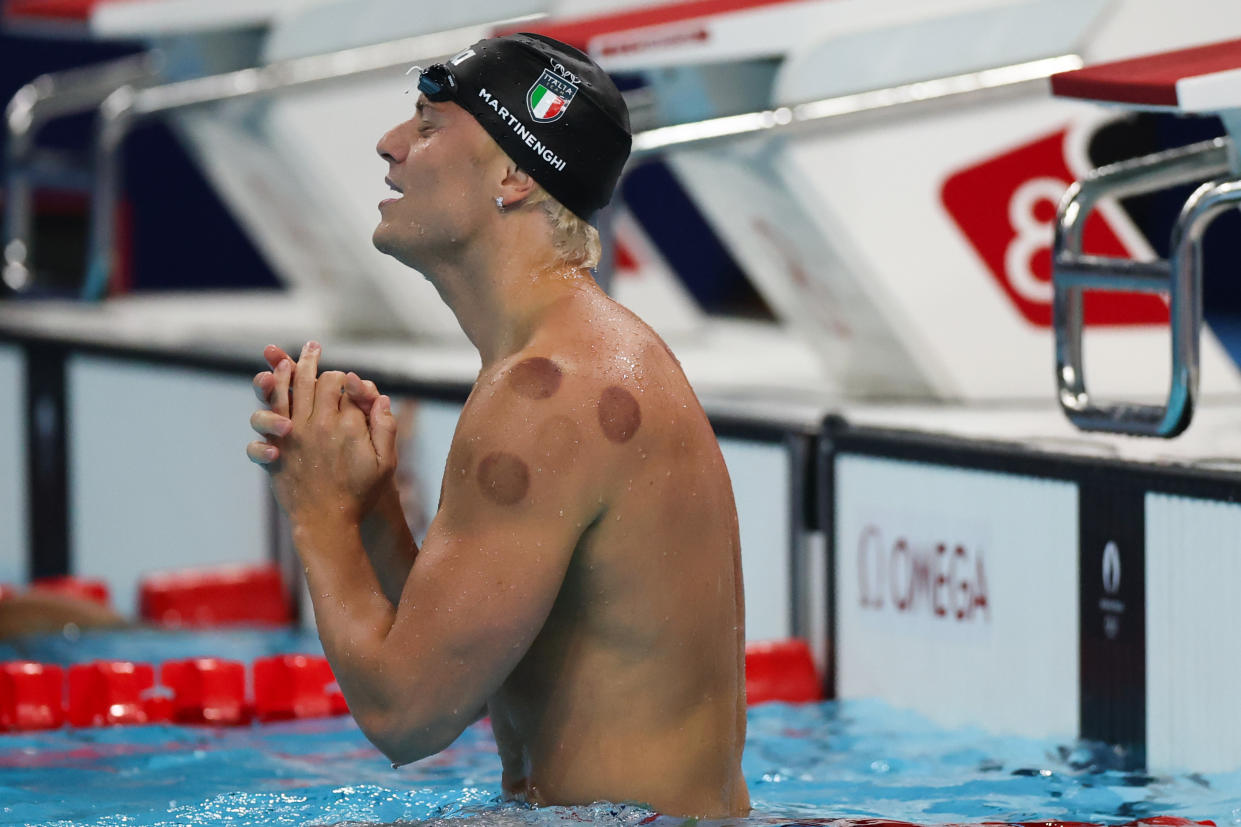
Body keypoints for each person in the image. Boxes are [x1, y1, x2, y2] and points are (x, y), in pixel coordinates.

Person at [246, 33, 749, 819]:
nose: (388, 145)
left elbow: (405, 714)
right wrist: (371, 509)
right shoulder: (572, 360)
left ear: (514, 175)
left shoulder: (551, 392)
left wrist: (315, 513)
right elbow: (454, 651)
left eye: (425, 123)